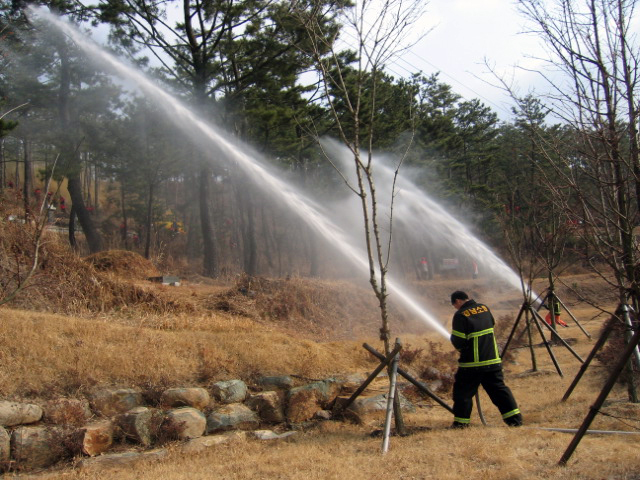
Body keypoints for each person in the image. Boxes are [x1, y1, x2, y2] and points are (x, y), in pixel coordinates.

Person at [449, 290, 522, 428]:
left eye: (454, 305)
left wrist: (462, 349)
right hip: (492, 359)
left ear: (458, 301)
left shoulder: (460, 315)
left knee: (462, 393)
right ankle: (515, 420)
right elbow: (491, 325)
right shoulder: (484, 308)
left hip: (472, 363)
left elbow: (458, 340)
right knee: (499, 390)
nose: (455, 307)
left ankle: (461, 423)